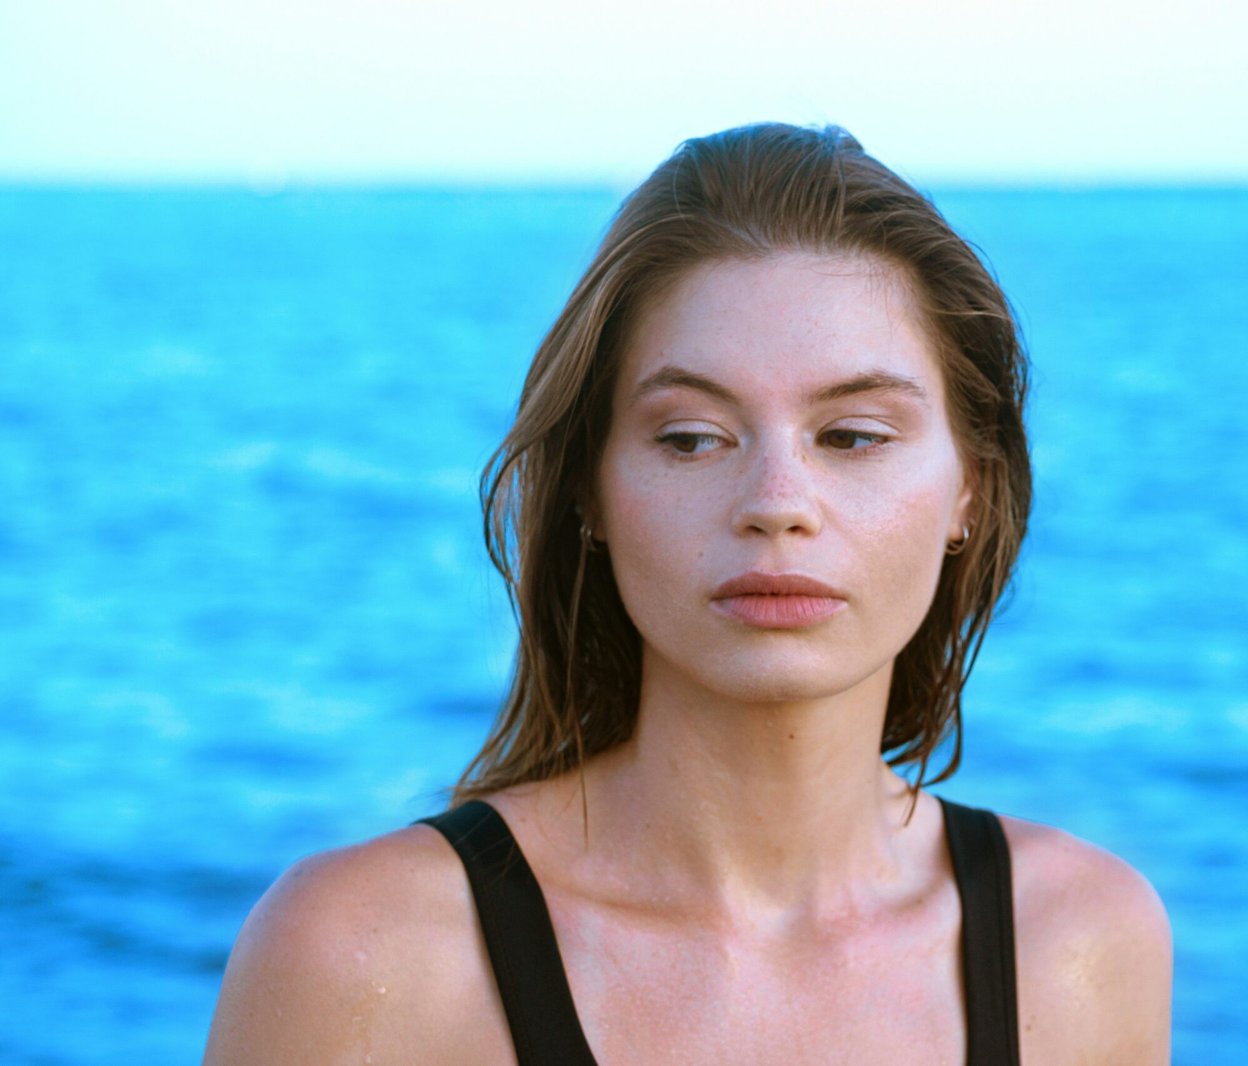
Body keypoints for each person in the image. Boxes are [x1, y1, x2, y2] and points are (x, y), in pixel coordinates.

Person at [203, 122, 1171, 1065]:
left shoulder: (1081, 946)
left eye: (854, 435)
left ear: (971, 486)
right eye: (691, 437)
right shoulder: (365, 958)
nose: (776, 505)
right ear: (590, 489)